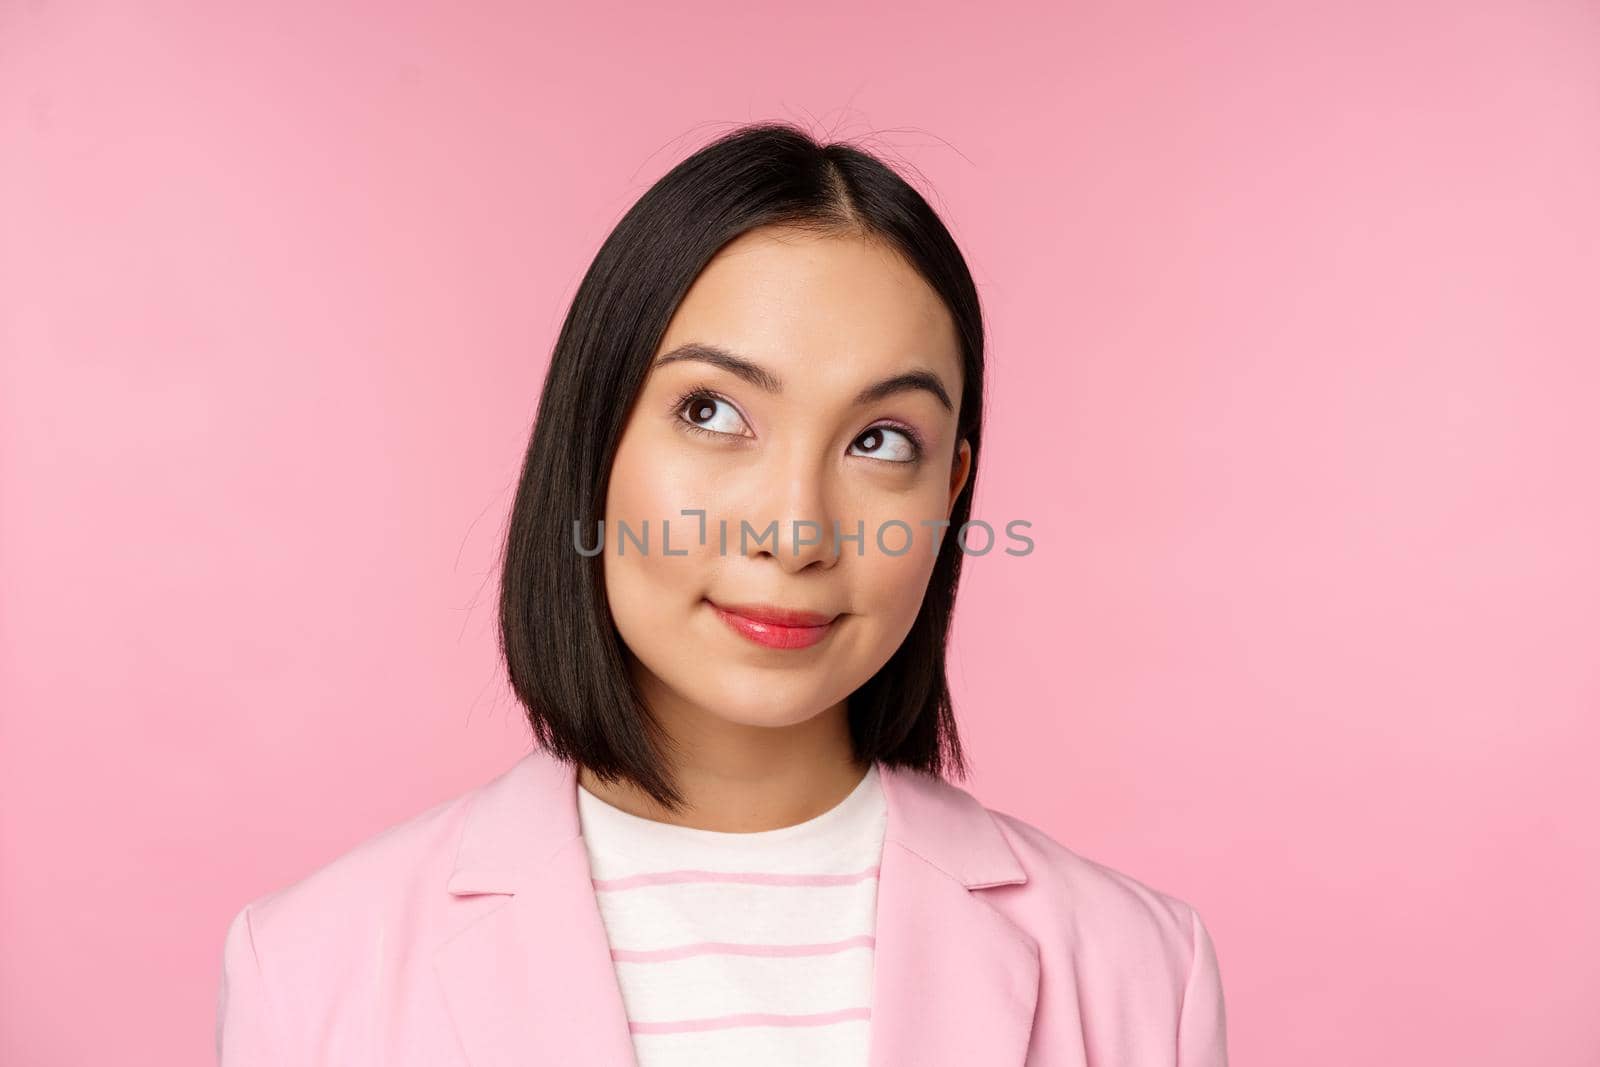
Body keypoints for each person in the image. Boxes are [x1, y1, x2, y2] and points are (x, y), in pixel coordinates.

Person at [215, 121, 1229, 1066]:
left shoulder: (1140, 968)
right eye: (711, 411)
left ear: (950, 492)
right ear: (595, 434)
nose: (794, 531)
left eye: (881, 440)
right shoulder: (312, 965)